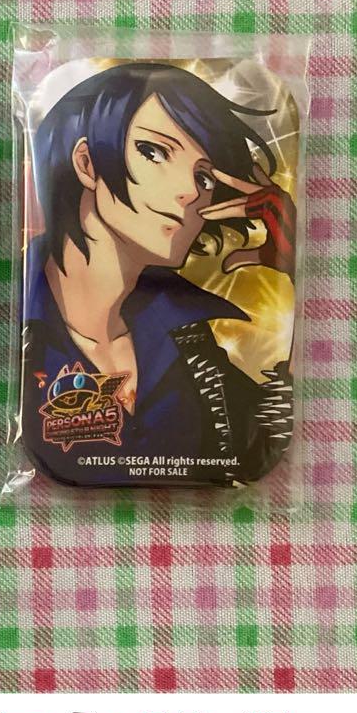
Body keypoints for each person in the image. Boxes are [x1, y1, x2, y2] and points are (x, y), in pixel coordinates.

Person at [22, 61, 295, 486]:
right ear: (87, 163)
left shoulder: (190, 337)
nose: (190, 191)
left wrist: (288, 271)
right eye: (154, 152)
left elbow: (259, 444)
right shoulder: (20, 323)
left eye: (204, 176)